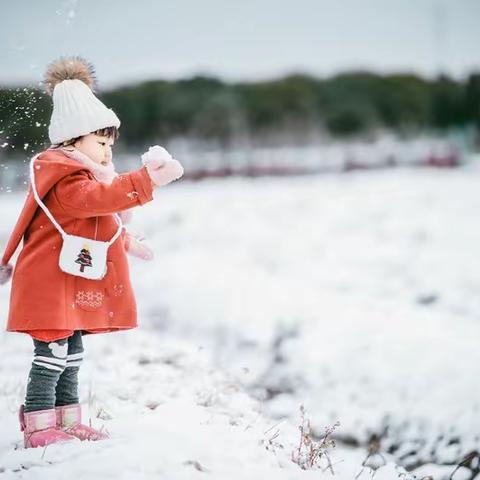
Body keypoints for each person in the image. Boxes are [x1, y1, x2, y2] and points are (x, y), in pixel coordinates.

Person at [0, 56, 184, 448]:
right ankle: (38, 426)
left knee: (72, 355)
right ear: (72, 140)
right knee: (51, 356)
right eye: (100, 143)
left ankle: (67, 420)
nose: (106, 153)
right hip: (48, 286)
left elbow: (97, 223)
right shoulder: (67, 181)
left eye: (109, 145)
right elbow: (97, 201)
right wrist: (145, 180)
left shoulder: (81, 177)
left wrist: (128, 242)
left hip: (66, 281)